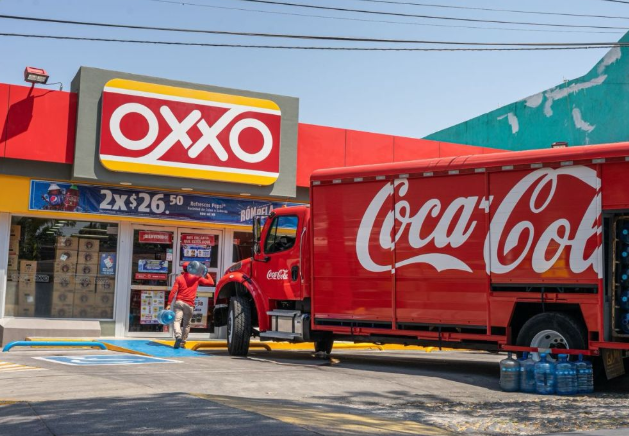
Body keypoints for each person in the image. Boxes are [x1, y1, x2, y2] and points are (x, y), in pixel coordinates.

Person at [166, 261, 214, 349]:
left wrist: (169, 303)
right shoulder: (197, 278)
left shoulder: (179, 278)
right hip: (189, 304)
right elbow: (211, 283)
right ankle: (182, 342)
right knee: (186, 324)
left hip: (179, 302)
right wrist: (206, 272)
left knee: (176, 321)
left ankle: (178, 336)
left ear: (184, 269)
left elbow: (173, 291)